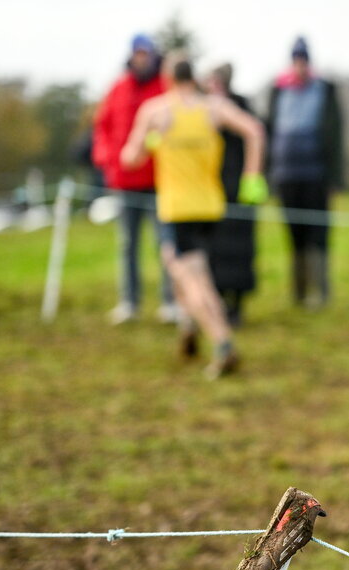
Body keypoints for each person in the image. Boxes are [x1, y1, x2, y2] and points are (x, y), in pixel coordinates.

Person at [121, 53, 268, 378]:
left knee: (193, 279)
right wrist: (252, 176)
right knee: (187, 273)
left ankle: (222, 343)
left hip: (177, 210)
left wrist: (150, 142)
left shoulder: (157, 111)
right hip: (210, 207)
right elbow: (254, 130)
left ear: (167, 77)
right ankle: (188, 330)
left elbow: (129, 157)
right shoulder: (213, 108)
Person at [93, 34, 177, 325]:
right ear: (131, 56)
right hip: (124, 181)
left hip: (158, 180)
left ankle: (170, 302)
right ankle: (129, 302)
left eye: (146, 53)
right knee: (127, 244)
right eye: (137, 54)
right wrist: (106, 158)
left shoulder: (164, 87)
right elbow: (102, 127)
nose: (142, 58)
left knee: (165, 243)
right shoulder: (117, 88)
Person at [265, 37, 346, 309]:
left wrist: (335, 178)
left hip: (316, 176)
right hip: (287, 175)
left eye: (304, 60)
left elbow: (336, 135)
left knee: (318, 233)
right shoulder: (279, 91)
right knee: (294, 234)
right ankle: (298, 293)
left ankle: (320, 292)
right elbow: (270, 131)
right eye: (296, 60)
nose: (300, 65)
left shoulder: (324, 90)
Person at [205, 63, 257, 327]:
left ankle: (237, 304)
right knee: (214, 250)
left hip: (238, 191)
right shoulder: (203, 110)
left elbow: (255, 135)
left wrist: (252, 179)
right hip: (212, 190)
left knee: (239, 250)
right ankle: (219, 303)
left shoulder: (241, 108)